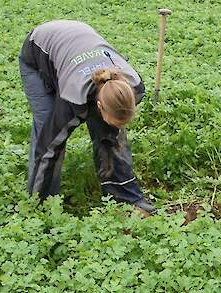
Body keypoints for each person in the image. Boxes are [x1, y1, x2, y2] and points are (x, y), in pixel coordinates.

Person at [19, 20, 156, 213]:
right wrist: (36, 208)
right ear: (99, 105)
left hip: (78, 42)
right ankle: (42, 204)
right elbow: (49, 147)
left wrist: (112, 129)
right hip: (39, 49)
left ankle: (125, 197)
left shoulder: (134, 86)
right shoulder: (73, 98)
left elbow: (112, 135)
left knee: (110, 134)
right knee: (48, 134)